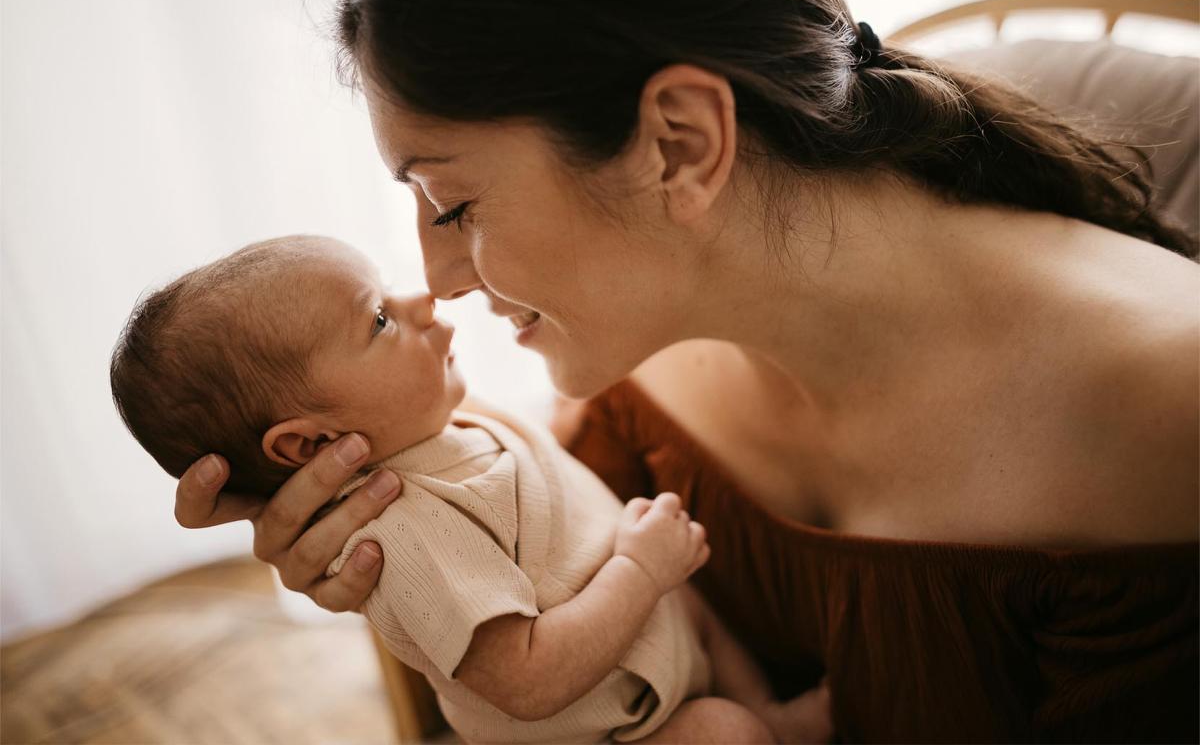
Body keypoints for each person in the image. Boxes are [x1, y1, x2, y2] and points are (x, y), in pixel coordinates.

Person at [171, 0, 1199, 740]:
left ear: (680, 142)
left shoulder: (1157, 409)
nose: (440, 279)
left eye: (456, 201)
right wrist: (386, 541)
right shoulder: (641, 348)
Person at [111, 234, 834, 744]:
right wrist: (641, 570)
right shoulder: (402, 528)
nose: (422, 298)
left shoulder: (436, 425)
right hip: (613, 730)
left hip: (645, 648)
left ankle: (771, 713)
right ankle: (758, 723)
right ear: (311, 444)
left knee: (691, 610)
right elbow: (525, 682)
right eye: (378, 319)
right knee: (721, 735)